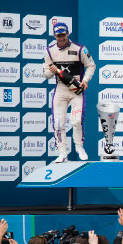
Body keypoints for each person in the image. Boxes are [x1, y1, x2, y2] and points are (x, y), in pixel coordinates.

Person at [42, 22, 95, 163]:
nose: (61, 38)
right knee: (58, 123)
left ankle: (79, 147)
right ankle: (62, 153)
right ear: (54, 36)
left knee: (76, 120)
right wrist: (50, 71)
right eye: (58, 36)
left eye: (63, 35)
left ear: (68, 34)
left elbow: (91, 65)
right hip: (60, 88)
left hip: (76, 88)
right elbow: (46, 75)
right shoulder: (49, 51)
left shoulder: (80, 49)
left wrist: (85, 80)